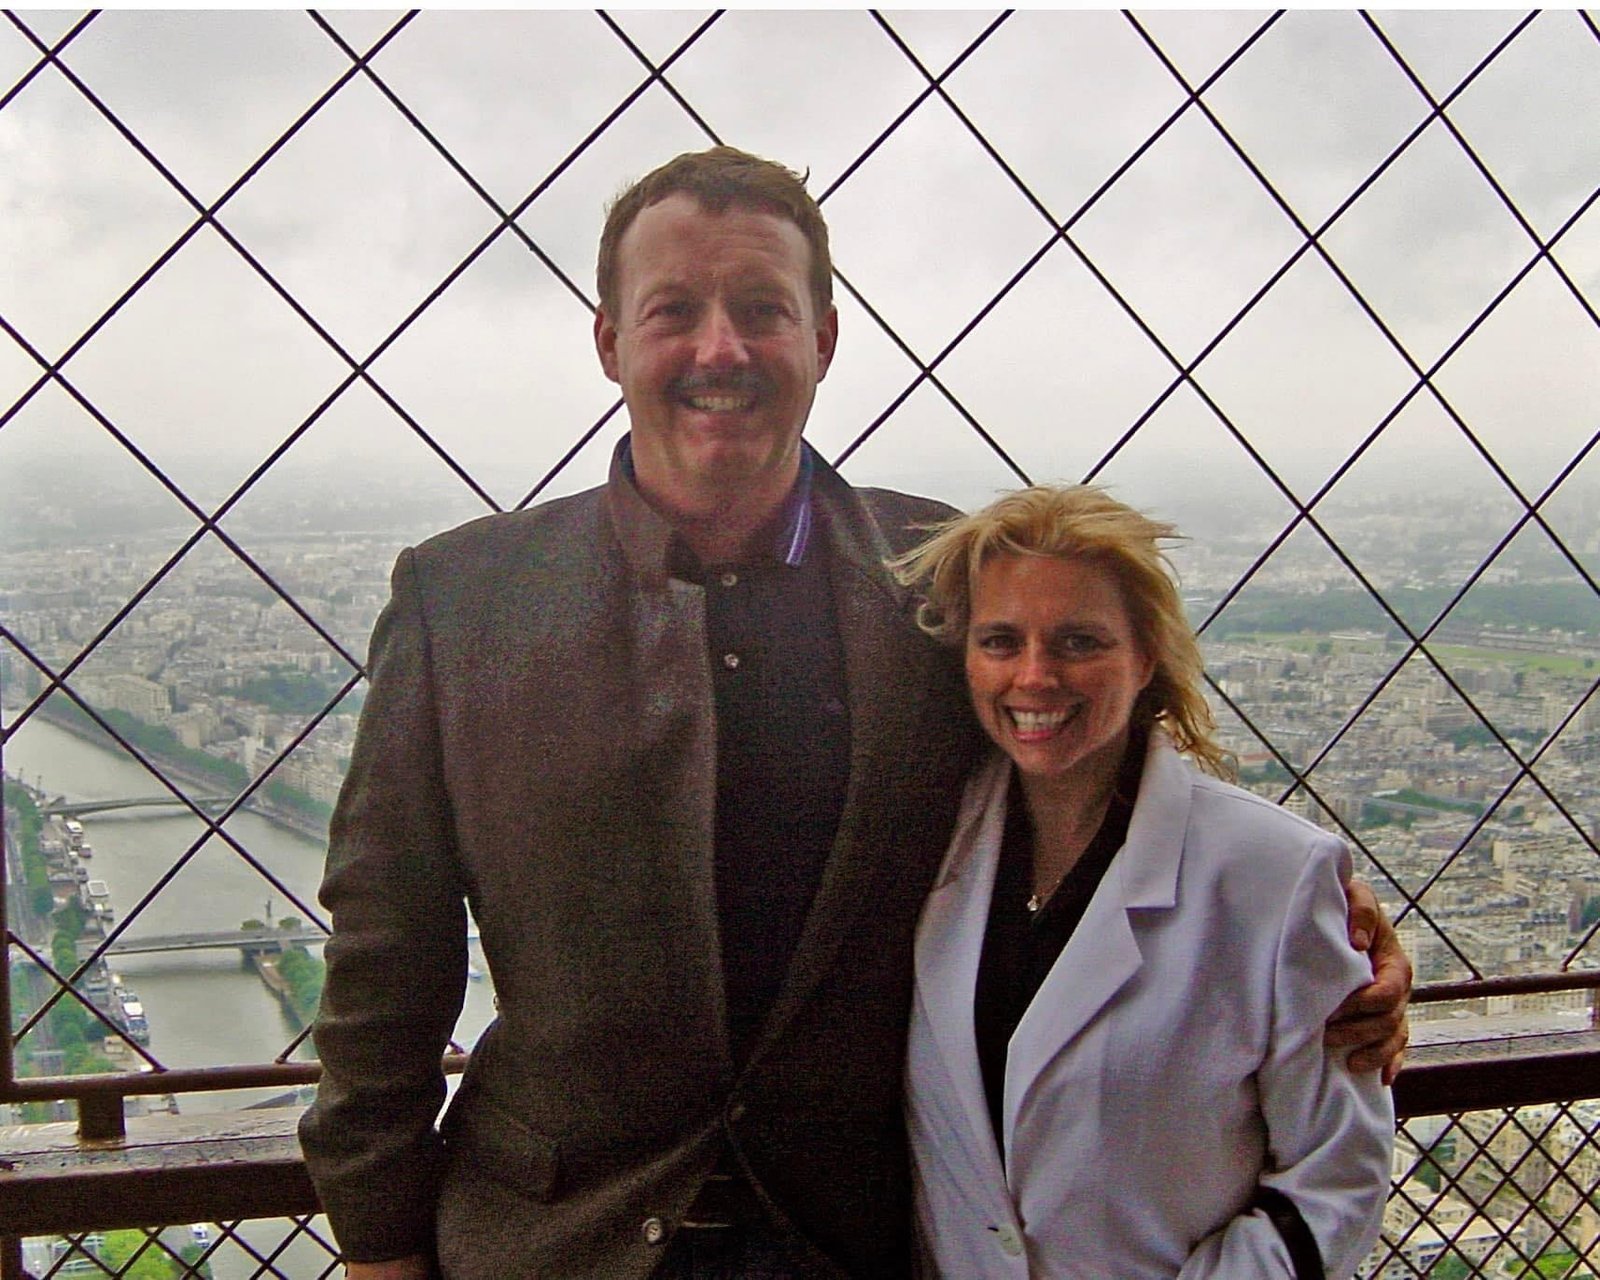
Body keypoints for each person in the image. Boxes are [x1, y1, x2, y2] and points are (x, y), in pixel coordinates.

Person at [297, 147, 1410, 1280]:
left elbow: (1087, 770)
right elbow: (387, 949)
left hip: (856, 1234)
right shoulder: (461, 601)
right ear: (608, 342)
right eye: (674, 310)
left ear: (823, 340)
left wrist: (1322, 934)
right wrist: (380, 1239)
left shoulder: (940, 577)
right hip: (558, 1239)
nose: (719, 348)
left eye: (761, 309)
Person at [893, 485, 1394, 1279]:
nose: (1035, 675)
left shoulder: (1272, 873)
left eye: (1079, 642)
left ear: (1146, 656)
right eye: (1000, 641)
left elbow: (1340, 1170)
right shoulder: (921, 846)